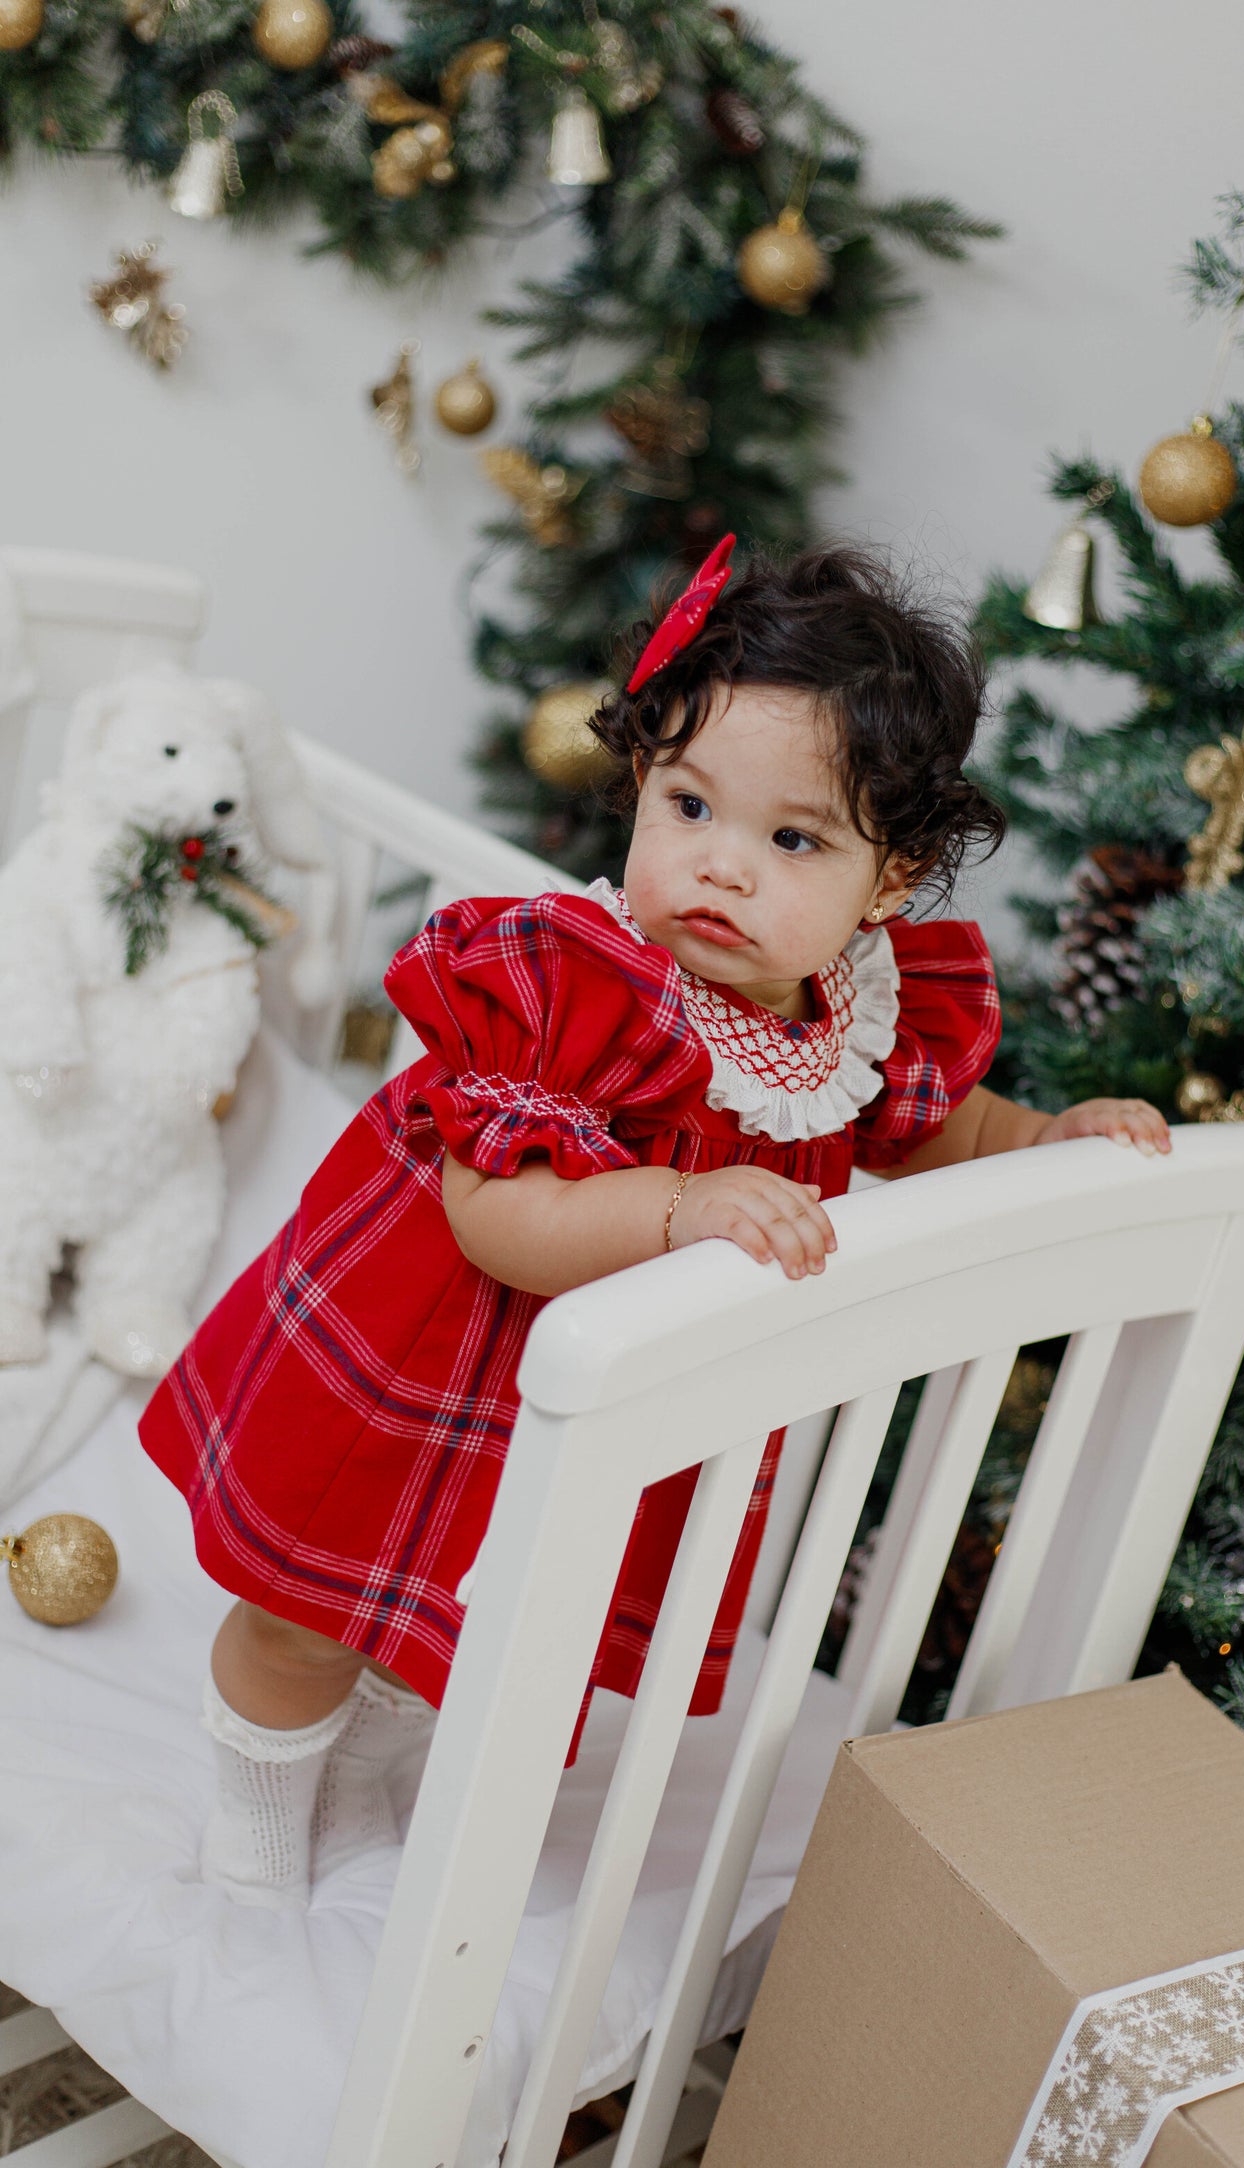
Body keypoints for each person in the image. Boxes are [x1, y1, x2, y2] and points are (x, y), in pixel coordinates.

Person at [139, 537, 1169, 1908]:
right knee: (305, 1619)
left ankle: (374, 1756)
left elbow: (937, 1130)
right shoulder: (573, 978)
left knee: (472, 1629)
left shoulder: (859, 1014)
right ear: (640, 781)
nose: (720, 868)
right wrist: (678, 1205)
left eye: (791, 838)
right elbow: (491, 1211)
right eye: (688, 804)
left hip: (594, 1417)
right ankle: (255, 1816)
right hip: (421, 1371)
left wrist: (1049, 1139)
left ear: (888, 882)